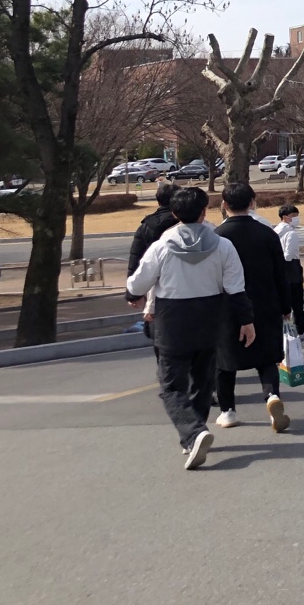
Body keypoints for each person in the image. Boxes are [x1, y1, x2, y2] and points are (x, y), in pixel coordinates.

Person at [125, 187, 254, 470]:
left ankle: (194, 433)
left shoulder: (161, 246)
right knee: (203, 381)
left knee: (171, 386)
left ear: (174, 214)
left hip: (172, 321)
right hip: (210, 318)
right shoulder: (223, 246)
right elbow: (236, 288)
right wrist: (246, 321)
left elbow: (138, 283)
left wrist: (132, 294)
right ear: (204, 212)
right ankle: (195, 433)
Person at [213, 182, 292, 432]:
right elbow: (281, 274)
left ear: (224, 204)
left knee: (224, 361)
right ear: (252, 202)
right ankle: (271, 396)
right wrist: (286, 306)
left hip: (227, 307)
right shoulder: (267, 234)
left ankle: (228, 411)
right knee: (267, 358)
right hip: (265, 303)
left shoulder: (217, 236)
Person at [126, 181, 178, 347]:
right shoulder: (187, 223)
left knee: (161, 341)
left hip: (155, 292)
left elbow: (135, 259)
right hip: (183, 287)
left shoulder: (146, 226)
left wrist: (133, 294)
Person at [274, 203, 304, 341]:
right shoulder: (291, 233)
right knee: (297, 303)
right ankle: (301, 332)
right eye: (293, 216)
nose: (296, 218)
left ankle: (283, 333)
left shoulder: (275, 231)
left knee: (283, 302)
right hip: (292, 269)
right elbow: (288, 256)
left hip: (279, 271)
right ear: (285, 217)